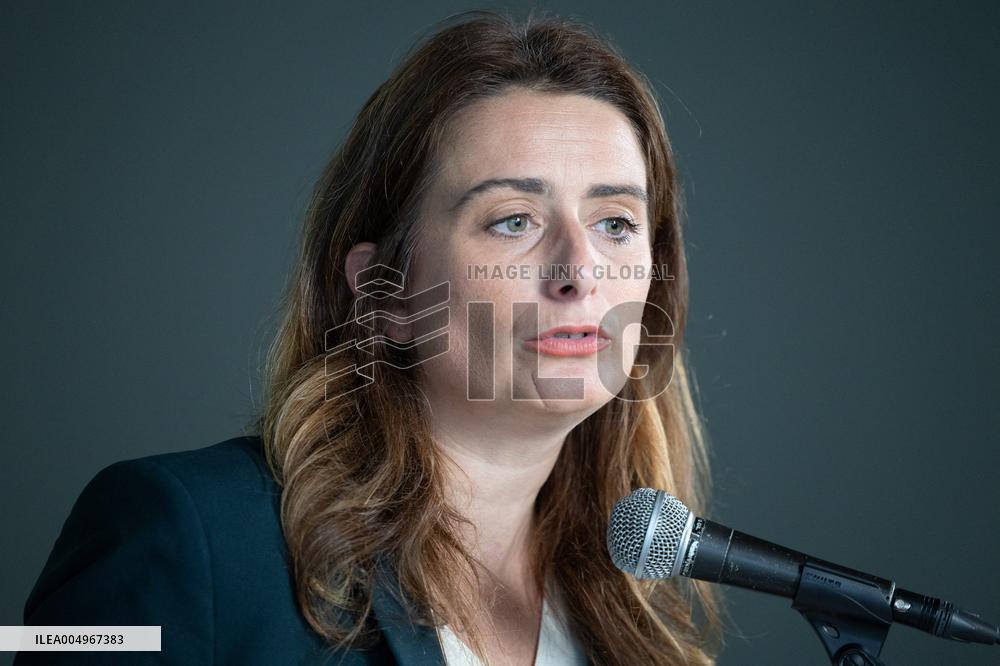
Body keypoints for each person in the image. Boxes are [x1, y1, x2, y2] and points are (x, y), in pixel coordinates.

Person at [16, 9, 722, 665]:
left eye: (616, 224)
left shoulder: (641, 620)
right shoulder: (182, 529)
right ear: (385, 294)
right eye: (513, 221)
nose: (578, 272)